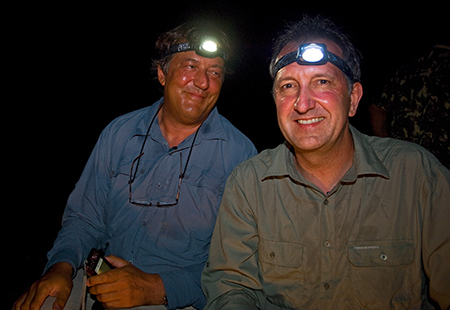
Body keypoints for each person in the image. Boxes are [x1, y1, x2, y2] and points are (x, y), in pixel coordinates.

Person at [202, 15, 450, 309]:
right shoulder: (248, 183)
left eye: (321, 82)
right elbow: (230, 287)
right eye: (288, 86)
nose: (303, 103)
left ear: (354, 98)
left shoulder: (417, 174)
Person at [14, 21, 257, 310]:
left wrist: (158, 288)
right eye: (190, 66)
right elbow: (84, 218)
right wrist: (61, 266)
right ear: (162, 74)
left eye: (214, 72)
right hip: (100, 280)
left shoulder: (240, 154)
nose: (202, 82)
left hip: (180, 296)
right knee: (41, 302)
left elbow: (239, 268)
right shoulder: (119, 133)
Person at [369, 44, 450, 169]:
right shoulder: (412, 67)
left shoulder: (411, 67)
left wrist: (389, 147)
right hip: (439, 164)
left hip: (405, 162)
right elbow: (377, 107)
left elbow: (377, 109)